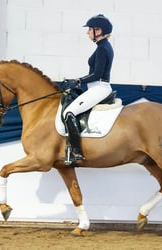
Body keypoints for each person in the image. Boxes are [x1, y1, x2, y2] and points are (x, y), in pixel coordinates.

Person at [63, 14, 114, 164]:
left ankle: (76, 152)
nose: (87, 32)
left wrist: (78, 81)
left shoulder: (102, 49)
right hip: (96, 87)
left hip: (99, 88)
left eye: (90, 29)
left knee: (69, 112)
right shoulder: (103, 47)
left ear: (98, 31)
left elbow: (97, 74)